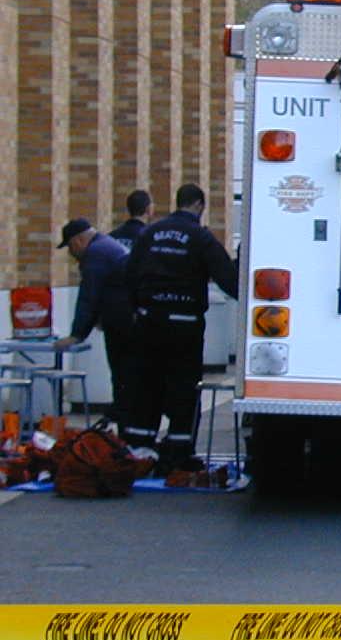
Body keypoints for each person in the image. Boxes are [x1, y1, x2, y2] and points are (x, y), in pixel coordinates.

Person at [124, 184, 239, 475]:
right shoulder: (201, 238)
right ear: (199, 205)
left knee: (145, 385)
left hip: (149, 321)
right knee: (183, 389)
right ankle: (178, 452)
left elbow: (129, 274)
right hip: (184, 325)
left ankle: (140, 448)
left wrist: (136, 309)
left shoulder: (149, 234)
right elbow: (227, 279)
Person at [54, 219, 136, 429]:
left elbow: (89, 296)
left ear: (79, 240)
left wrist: (77, 334)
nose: (72, 254)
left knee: (123, 378)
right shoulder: (107, 245)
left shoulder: (96, 254)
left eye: (70, 247)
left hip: (123, 324)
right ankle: (126, 425)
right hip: (131, 319)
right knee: (128, 379)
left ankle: (126, 430)